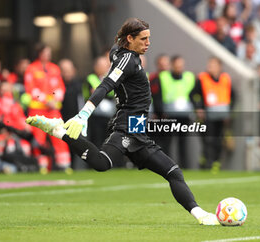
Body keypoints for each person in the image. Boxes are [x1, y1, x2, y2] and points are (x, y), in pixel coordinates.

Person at [26, 18, 219, 225]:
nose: (148, 43)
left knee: (173, 172)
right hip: (127, 126)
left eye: (149, 38)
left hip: (138, 130)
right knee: (102, 164)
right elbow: (105, 85)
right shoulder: (128, 59)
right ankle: (60, 131)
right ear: (130, 38)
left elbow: (115, 52)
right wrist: (84, 114)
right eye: (143, 39)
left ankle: (201, 215)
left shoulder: (121, 53)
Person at [24, 43, 71, 173]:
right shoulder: (31, 69)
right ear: (40, 53)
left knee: (60, 134)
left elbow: (60, 88)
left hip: (53, 109)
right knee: (39, 138)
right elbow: (31, 89)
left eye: (49, 52)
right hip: (37, 109)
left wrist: (55, 99)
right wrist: (45, 100)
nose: (48, 55)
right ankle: (42, 165)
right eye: (46, 52)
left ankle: (64, 165)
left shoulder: (55, 68)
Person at [190, 57, 232, 169]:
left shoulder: (225, 79)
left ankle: (216, 163)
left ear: (219, 67)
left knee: (219, 140)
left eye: (213, 65)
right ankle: (206, 162)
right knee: (208, 140)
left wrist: (229, 111)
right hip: (207, 117)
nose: (210, 67)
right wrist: (198, 108)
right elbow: (192, 94)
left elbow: (233, 96)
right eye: (209, 65)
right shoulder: (202, 78)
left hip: (221, 116)